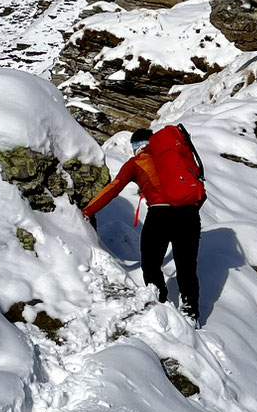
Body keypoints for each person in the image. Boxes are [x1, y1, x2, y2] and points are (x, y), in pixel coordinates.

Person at [81, 125, 208, 318]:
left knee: (150, 263)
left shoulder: (136, 162)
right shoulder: (179, 157)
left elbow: (114, 188)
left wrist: (88, 211)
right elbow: (200, 194)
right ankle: (191, 313)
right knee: (187, 267)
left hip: (159, 216)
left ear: (136, 146)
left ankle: (160, 305)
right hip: (189, 215)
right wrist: (185, 210)